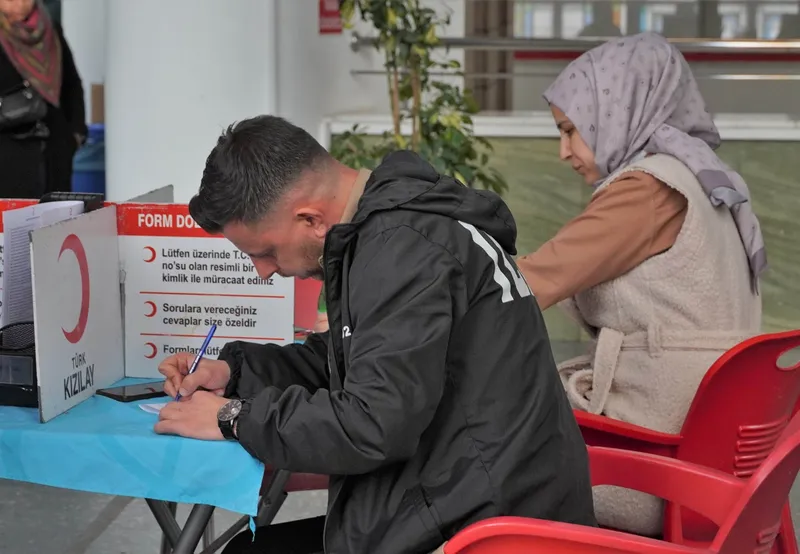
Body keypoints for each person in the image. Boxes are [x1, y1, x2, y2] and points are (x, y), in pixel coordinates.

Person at [154, 115, 596, 553]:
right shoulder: (394, 229)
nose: (263, 271)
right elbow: (353, 361)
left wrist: (234, 418)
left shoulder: (403, 250)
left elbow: (371, 424)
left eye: (265, 252)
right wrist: (235, 371)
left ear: (311, 219)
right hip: (469, 498)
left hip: (489, 531)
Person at [516, 32, 765, 535]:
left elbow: (533, 280)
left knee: (481, 446)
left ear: (619, 110)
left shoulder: (647, 190)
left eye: (571, 130)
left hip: (652, 466)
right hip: (715, 460)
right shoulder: (703, 179)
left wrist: (417, 291)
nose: (564, 151)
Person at [0, 0, 86, 198]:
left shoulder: (50, 30)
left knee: (56, 214)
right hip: (8, 152)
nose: (19, 4)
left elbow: (72, 84)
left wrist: (76, 134)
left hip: (54, 150)